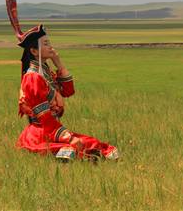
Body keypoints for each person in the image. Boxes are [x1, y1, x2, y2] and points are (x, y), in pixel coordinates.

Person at [15, 24, 119, 161]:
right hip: (40, 133)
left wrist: (58, 62)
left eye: (50, 43)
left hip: (51, 130)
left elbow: (68, 91)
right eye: (46, 44)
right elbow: (45, 118)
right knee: (75, 147)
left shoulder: (45, 73)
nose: (51, 47)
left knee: (93, 143)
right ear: (34, 51)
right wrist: (69, 137)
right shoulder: (33, 78)